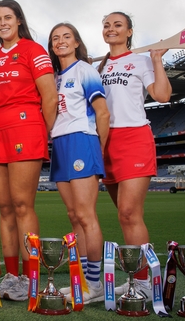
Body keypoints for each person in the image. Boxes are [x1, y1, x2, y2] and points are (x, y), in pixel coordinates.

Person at [0, 0, 58, 301]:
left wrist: (43, 133)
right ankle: (12, 276)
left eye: (8, 17)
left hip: (24, 130)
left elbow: (50, 97)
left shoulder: (33, 50)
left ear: (18, 21)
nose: (3, 23)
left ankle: (32, 277)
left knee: (22, 205)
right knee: (4, 208)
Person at [97, 11, 172, 298]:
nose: (111, 29)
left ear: (129, 32)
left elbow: (163, 95)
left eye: (117, 25)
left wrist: (156, 59)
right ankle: (136, 279)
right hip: (105, 142)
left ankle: (144, 282)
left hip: (134, 138)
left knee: (130, 212)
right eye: (106, 25)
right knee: (123, 216)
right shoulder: (99, 67)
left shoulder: (140, 61)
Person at [47, 23, 110, 303]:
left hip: (82, 140)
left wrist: (98, 148)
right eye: (55, 38)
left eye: (66, 37)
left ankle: (94, 284)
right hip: (59, 143)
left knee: (86, 215)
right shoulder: (55, 78)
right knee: (74, 216)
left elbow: (102, 113)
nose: (60, 42)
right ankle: (83, 281)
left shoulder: (85, 70)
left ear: (76, 43)